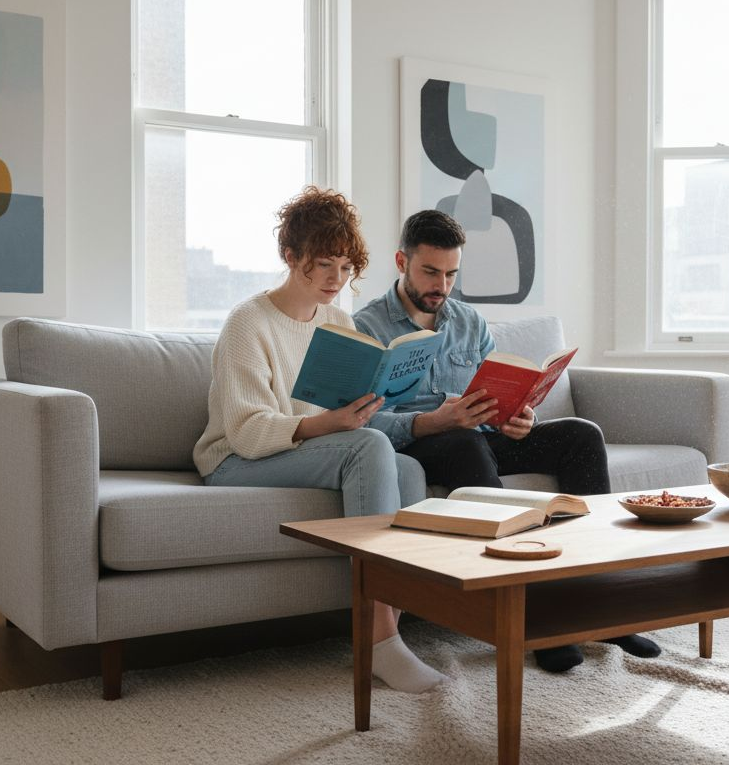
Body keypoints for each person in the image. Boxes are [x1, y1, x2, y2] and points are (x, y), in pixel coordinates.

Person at [352, 209, 663, 673]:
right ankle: (531, 616)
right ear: (402, 261)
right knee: (463, 443)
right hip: (422, 444)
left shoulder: (468, 321)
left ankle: (598, 603)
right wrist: (433, 421)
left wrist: (518, 416)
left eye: (452, 273)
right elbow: (363, 422)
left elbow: (494, 389)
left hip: (479, 437)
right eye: (430, 272)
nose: (442, 284)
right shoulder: (367, 327)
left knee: (581, 435)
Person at [193, 188, 445, 693]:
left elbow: (340, 409)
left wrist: (367, 404)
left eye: (347, 267)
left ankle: (395, 620)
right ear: (290, 257)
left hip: (309, 449)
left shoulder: (337, 322)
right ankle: (378, 642)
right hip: (238, 459)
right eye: (324, 265)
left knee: (410, 470)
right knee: (373, 449)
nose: (337, 280)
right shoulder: (249, 322)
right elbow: (243, 431)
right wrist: (325, 425)